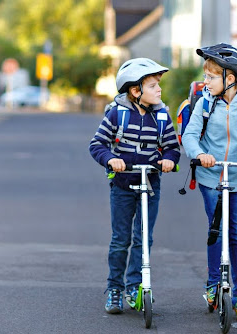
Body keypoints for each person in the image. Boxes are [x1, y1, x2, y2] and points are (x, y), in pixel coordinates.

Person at [181, 43, 237, 322]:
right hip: (210, 176)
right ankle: (212, 285)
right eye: (205, 77)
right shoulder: (205, 102)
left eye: (211, 77)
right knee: (216, 229)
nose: (205, 82)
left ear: (229, 78)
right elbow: (190, 136)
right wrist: (200, 155)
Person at [89, 58, 180, 314]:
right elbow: (97, 145)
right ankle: (115, 288)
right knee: (120, 239)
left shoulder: (162, 116)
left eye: (158, 85)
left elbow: (173, 148)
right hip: (122, 185)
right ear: (135, 90)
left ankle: (135, 286)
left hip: (150, 184)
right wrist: (111, 159)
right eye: (153, 86)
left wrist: (168, 161)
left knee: (143, 239)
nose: (159, 90)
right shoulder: (118, 113)